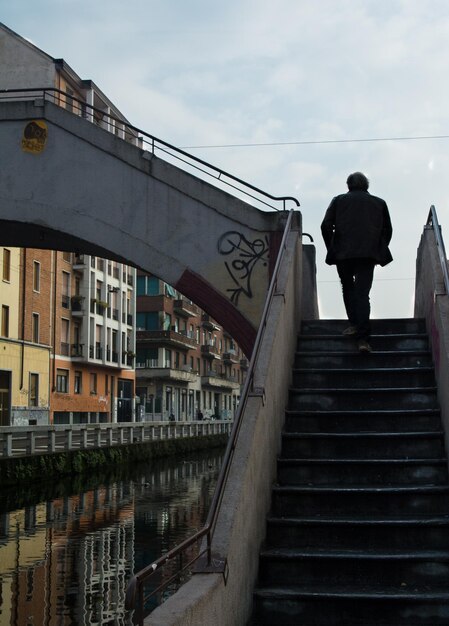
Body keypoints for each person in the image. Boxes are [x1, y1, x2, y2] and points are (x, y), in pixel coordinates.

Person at [321, 172, 393, 353]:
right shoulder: (379, 203)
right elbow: (388, 229)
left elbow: (325, 225)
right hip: (368, 254)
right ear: (366, 185)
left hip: (343, 253)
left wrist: (332, 245)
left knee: (348, 287)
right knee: (362, 294)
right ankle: (363, 339)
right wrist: (379, 247)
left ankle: (354, 324)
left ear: (348, 185)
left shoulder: (338, 200)